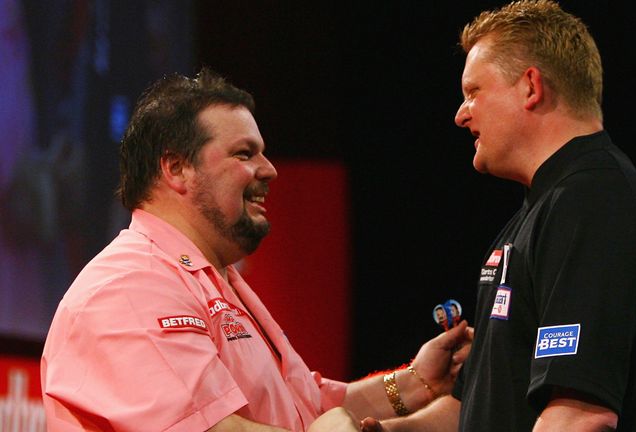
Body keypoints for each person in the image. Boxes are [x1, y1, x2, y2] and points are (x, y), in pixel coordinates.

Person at [40, 68, 473, 431]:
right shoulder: (130, 288)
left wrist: (417, 382)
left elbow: (303, 407)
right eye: (244, 153)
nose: (268, 170)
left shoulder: (212, 279)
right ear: (176, 168)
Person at [361, 1, 636, 431]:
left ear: (530, 87)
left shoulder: (594, 202)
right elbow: (478, 406)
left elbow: (578, 419)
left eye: (473, 92)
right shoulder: (539, 211)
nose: (461, 114)